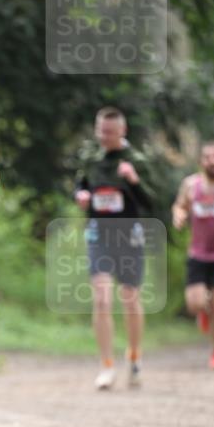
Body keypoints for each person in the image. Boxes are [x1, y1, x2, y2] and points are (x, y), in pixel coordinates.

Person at [74, 107, 152, 390]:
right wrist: (80, 195)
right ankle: (106, 365)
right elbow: (79, 185)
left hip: (129, 235)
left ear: (123, 131)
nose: (104, 137)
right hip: (98, 235)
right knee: (102, 299)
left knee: (130, 298)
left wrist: (134, 180)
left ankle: (134, 358)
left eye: (109, 132)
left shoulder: (137, 160)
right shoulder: (91, 158)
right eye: (100, 131)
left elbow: (152, 202)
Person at [172, 142, 214, 370]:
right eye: (208, 157)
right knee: (194, 303)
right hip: (198, 253)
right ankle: (203, 311)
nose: (212, 160)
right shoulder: (191, 185)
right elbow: (179, 206)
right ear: (201, 162)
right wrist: (179, 216)